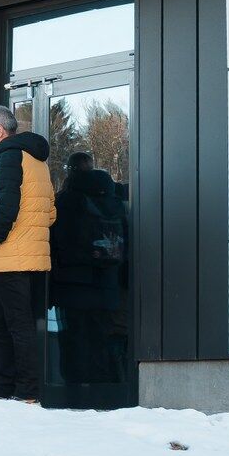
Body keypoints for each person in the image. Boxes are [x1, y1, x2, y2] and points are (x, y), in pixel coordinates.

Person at [0, 104, 53, 403]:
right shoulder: (35, 159)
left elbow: (7, 207)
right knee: (1, 323)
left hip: (10, 254)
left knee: (16, 324)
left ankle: (26, 392)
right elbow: (50, 211)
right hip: (26, 253)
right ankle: (6, 389)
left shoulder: (8, 156)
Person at [50, 151, 129, 388]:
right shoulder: (114, 200)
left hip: (72, 284)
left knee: (73, 337)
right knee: (102, 336)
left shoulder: (66, 201)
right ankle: (104, 386)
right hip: (107, 282)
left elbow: (57, 241)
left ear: (70, 171)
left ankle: (75, 388)